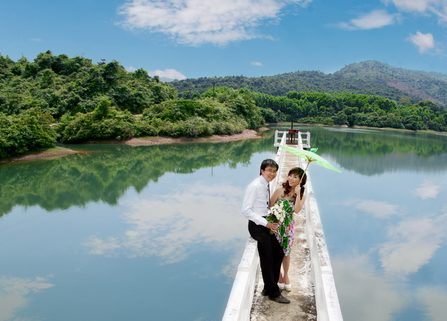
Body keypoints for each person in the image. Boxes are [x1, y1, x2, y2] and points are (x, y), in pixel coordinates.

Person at [241, 159, 290, 304]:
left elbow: (262, 206)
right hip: (257, 226)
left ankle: (269, 287)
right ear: (262, 170)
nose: (272, 173)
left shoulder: (265, 184)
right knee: (267, 257)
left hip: (265, 222)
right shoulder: (255, 186)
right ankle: (273, 293)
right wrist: (266, 223)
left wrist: (273, 214)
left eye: (274, 171)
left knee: (279, 252)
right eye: (269, 170)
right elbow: (245, 211)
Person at [269, 167, 307, 292]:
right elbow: (269, 205)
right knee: (275, 253)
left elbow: (296, 210)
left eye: (296, 177)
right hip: (276, 226)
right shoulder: (280, 190)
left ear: (300, 181)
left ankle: (286, 275)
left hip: (288, 228)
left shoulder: (300, 195)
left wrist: (298, 192)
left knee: (286, 253)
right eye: (290, 175)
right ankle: (279, 275)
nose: (291, 178)